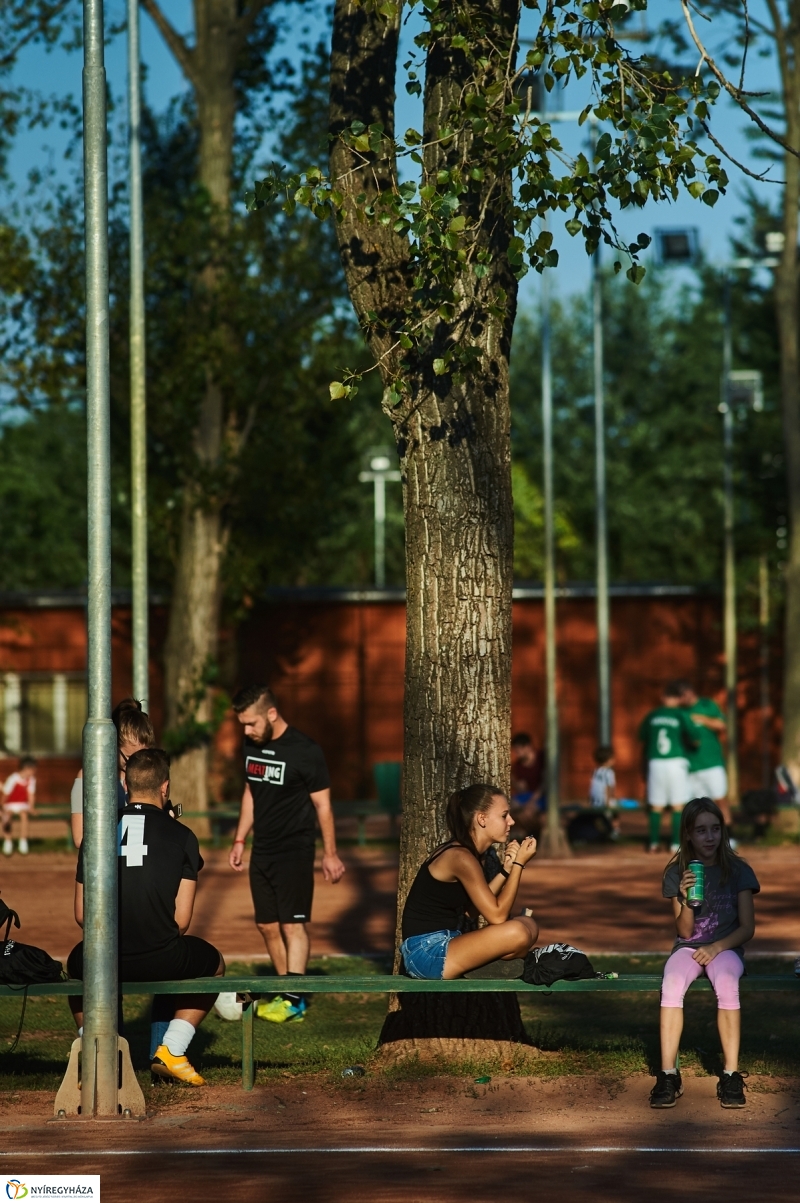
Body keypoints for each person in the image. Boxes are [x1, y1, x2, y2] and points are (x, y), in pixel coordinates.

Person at [67, 748, 224, 1086]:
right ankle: (172, 1050)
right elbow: (182, 922)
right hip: (162, 958)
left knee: (76, 964)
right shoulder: (183, 836)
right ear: (165, 787)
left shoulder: (96, 833)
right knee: (215, 963)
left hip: (104, 959)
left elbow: (81, 915)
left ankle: (98, 1057)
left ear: (125, 784)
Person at [228, 684, 345, 1023]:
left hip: (295, 850)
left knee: (292, 926)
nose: (246, 731)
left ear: (271, 714)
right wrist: (239, 839)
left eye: (251, 723)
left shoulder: (306, 750)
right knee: (266, 925)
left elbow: (323, 806)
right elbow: (251, 791)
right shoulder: (252, 744)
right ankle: (285, 992)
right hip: (262, 849)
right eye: (242, 725)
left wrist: (330, 853)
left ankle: (294, 1001)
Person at [650, 797, 758, 1110]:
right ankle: (668, 1075)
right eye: (701, 831)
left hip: (725, 948)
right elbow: (685, 932)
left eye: (715, 829)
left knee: (726, 982)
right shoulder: (677, 872)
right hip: (688, 948)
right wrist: (685, 898)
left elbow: (747, 928)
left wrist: (716, 947)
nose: (710, 837)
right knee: (671, 983)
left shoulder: (738, 870)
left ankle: (731, 1074)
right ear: (687, 834)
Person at [399, 783, 539, 980]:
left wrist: (506, 870)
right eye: (504, 815)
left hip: (446, 943)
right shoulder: (461, 857)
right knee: (518, 932)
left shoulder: (467, 853)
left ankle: (479, 965)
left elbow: (471, 912)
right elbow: (497, 916)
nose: (512, 821)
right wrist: (518, 865)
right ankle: (480, 963)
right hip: (426, 953)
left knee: (529, 924)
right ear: (482, 819)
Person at [70, 697, 155, 848]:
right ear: (112, 746)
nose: (137, 764)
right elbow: (79, 838)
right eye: (129, 758)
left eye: (143, 756)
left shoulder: (148, 776)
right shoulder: (88, 778)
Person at [639, 683, 699, 853]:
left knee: (656, 805)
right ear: (679, 699)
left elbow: (642, 736)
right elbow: (694, 737)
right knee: (677, 805)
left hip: (656, 762)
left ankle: (653, 843)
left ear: (663, 697)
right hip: (676, 761)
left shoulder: (652, 715)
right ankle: (675, 844)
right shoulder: (681, 714)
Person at [676, 680, 734, 837]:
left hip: (712, 763)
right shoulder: (680, 712)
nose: (681, 699)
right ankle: (699, 837)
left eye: (682, 695)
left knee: (720, 800)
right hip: (692, 766)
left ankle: (728, 836)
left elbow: (721, 725)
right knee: (696, 806)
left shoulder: (707, 705)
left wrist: (701, 719)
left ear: (689, 692)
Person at [510, 732, 545, 837]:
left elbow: (545, 784)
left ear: (528, 747)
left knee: (530, 812)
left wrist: (532, 802)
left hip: (542, 796)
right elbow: (522, 789)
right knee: (510, 804)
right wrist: (511, 779)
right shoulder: (518, 765)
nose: (517, 753)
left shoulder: (542, 758)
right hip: (527, 796)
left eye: (518, 750)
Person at [2, 756, 36, 856]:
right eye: (33, 769)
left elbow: (31, 795)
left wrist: (31, 807)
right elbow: (5, 794)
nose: (34, 772)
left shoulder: (31, 780)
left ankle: (23, 841)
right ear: (26, 768)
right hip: (9, 804)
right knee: (7, 816)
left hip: (22, 805)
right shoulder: (13, 778)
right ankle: (8, 842)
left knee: (24, 815)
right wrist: (2, 807)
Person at [589, 745, 619, 839]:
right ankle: (614, 831)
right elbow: (608, 788)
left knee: (600, 818)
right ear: (608, 760)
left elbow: (593, 787)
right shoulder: (609, 773)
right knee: (615, 811)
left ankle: (603, 832)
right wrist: (608, 802)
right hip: (604, 801)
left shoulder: (595, 771)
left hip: (595, 802)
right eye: (612, 758)